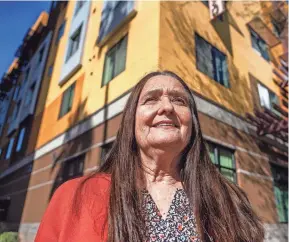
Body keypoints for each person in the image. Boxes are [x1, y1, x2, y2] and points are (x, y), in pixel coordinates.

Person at [35, 71, 264, 242]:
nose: (166, 107)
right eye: (151, 99)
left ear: (192, 123)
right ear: (131, 121)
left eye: (178, 100)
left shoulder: (229, 199)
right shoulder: (74, 196)